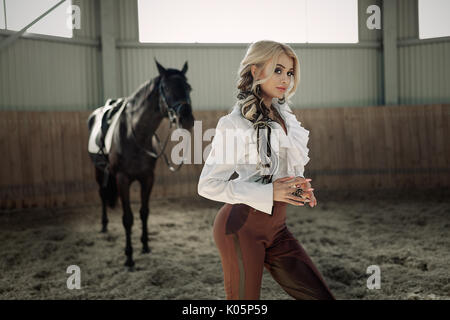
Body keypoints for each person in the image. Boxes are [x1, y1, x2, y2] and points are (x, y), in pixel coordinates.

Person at [197, 40, 335, 300]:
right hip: (239, 228)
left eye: (290, 73)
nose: (286, 79)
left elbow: (276, 174)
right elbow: (208, 185)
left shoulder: (286, 118)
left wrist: (296, 188)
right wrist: (271, 192)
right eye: (278, 70)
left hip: (277, 229)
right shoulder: (234, 123)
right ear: (255, 71)